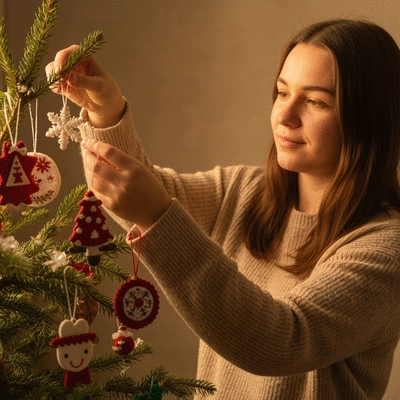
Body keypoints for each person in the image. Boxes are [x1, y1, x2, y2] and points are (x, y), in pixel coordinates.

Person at [47, 18, 400, 399]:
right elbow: (146, 195)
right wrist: (105, 109)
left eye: (315, 101)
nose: (285, 115)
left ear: (368, 118)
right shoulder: (246, 191)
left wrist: (156, 217)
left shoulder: (385, 250)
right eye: (282, 93)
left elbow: (281, 341)